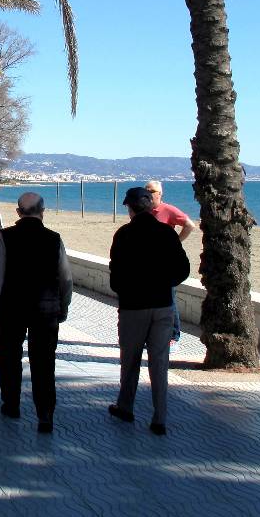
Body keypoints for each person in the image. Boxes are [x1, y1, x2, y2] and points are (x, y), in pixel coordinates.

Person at [0, 191, 72, 434]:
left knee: (10, 356)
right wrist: (63, 307)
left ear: (19, 213)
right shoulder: (54, 239)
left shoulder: (7, 237)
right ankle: (45, 414)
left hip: (12, 308)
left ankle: (11, 404)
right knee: (44, 361)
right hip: (46, 310)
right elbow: (66, 278)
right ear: (42, 212)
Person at [109, 186, 191, 436]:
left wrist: (127, 289)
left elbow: (116, 275)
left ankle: (126, 406)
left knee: (130, 360)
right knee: (159, 362)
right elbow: (183, 269)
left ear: (130, 208)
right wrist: (164, 283)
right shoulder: (166, 233)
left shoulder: (124, 234)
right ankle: (160, 417)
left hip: (133, 306)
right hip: (163, 304)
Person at [145, 180, 197, 345]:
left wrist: (176, 242)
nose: (148, 193)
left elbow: (190, 225)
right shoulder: (144, 211)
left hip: (165, 263)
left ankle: (174, 335)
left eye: (151, 190)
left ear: (159, 194)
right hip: (148, 263)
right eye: (146, 190)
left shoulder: (168, 210)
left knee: (169, 297)